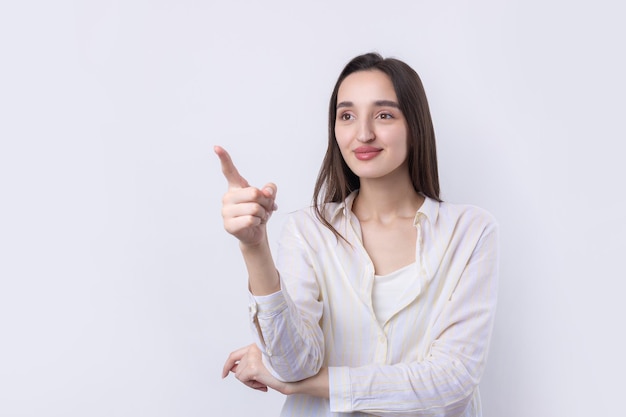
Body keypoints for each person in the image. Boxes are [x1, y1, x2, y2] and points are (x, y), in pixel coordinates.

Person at [215, 52, 499, 417]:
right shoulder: (308, 231)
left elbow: (452, 380)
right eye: (347, 116)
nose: (363, 133)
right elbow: (294, 361)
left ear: (415, 124)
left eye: (384, 115)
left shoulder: (470, 232)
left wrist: (297, 386)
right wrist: (254, 247)